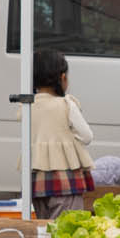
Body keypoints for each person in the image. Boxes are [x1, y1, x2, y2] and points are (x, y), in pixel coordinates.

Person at [28, 48, 96, 219]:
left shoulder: (28, 106)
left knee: (44, 232)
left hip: (36, 182)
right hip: (65, 182)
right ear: (63, 77)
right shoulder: (66, 105)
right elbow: (86, 136)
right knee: (66, 230)